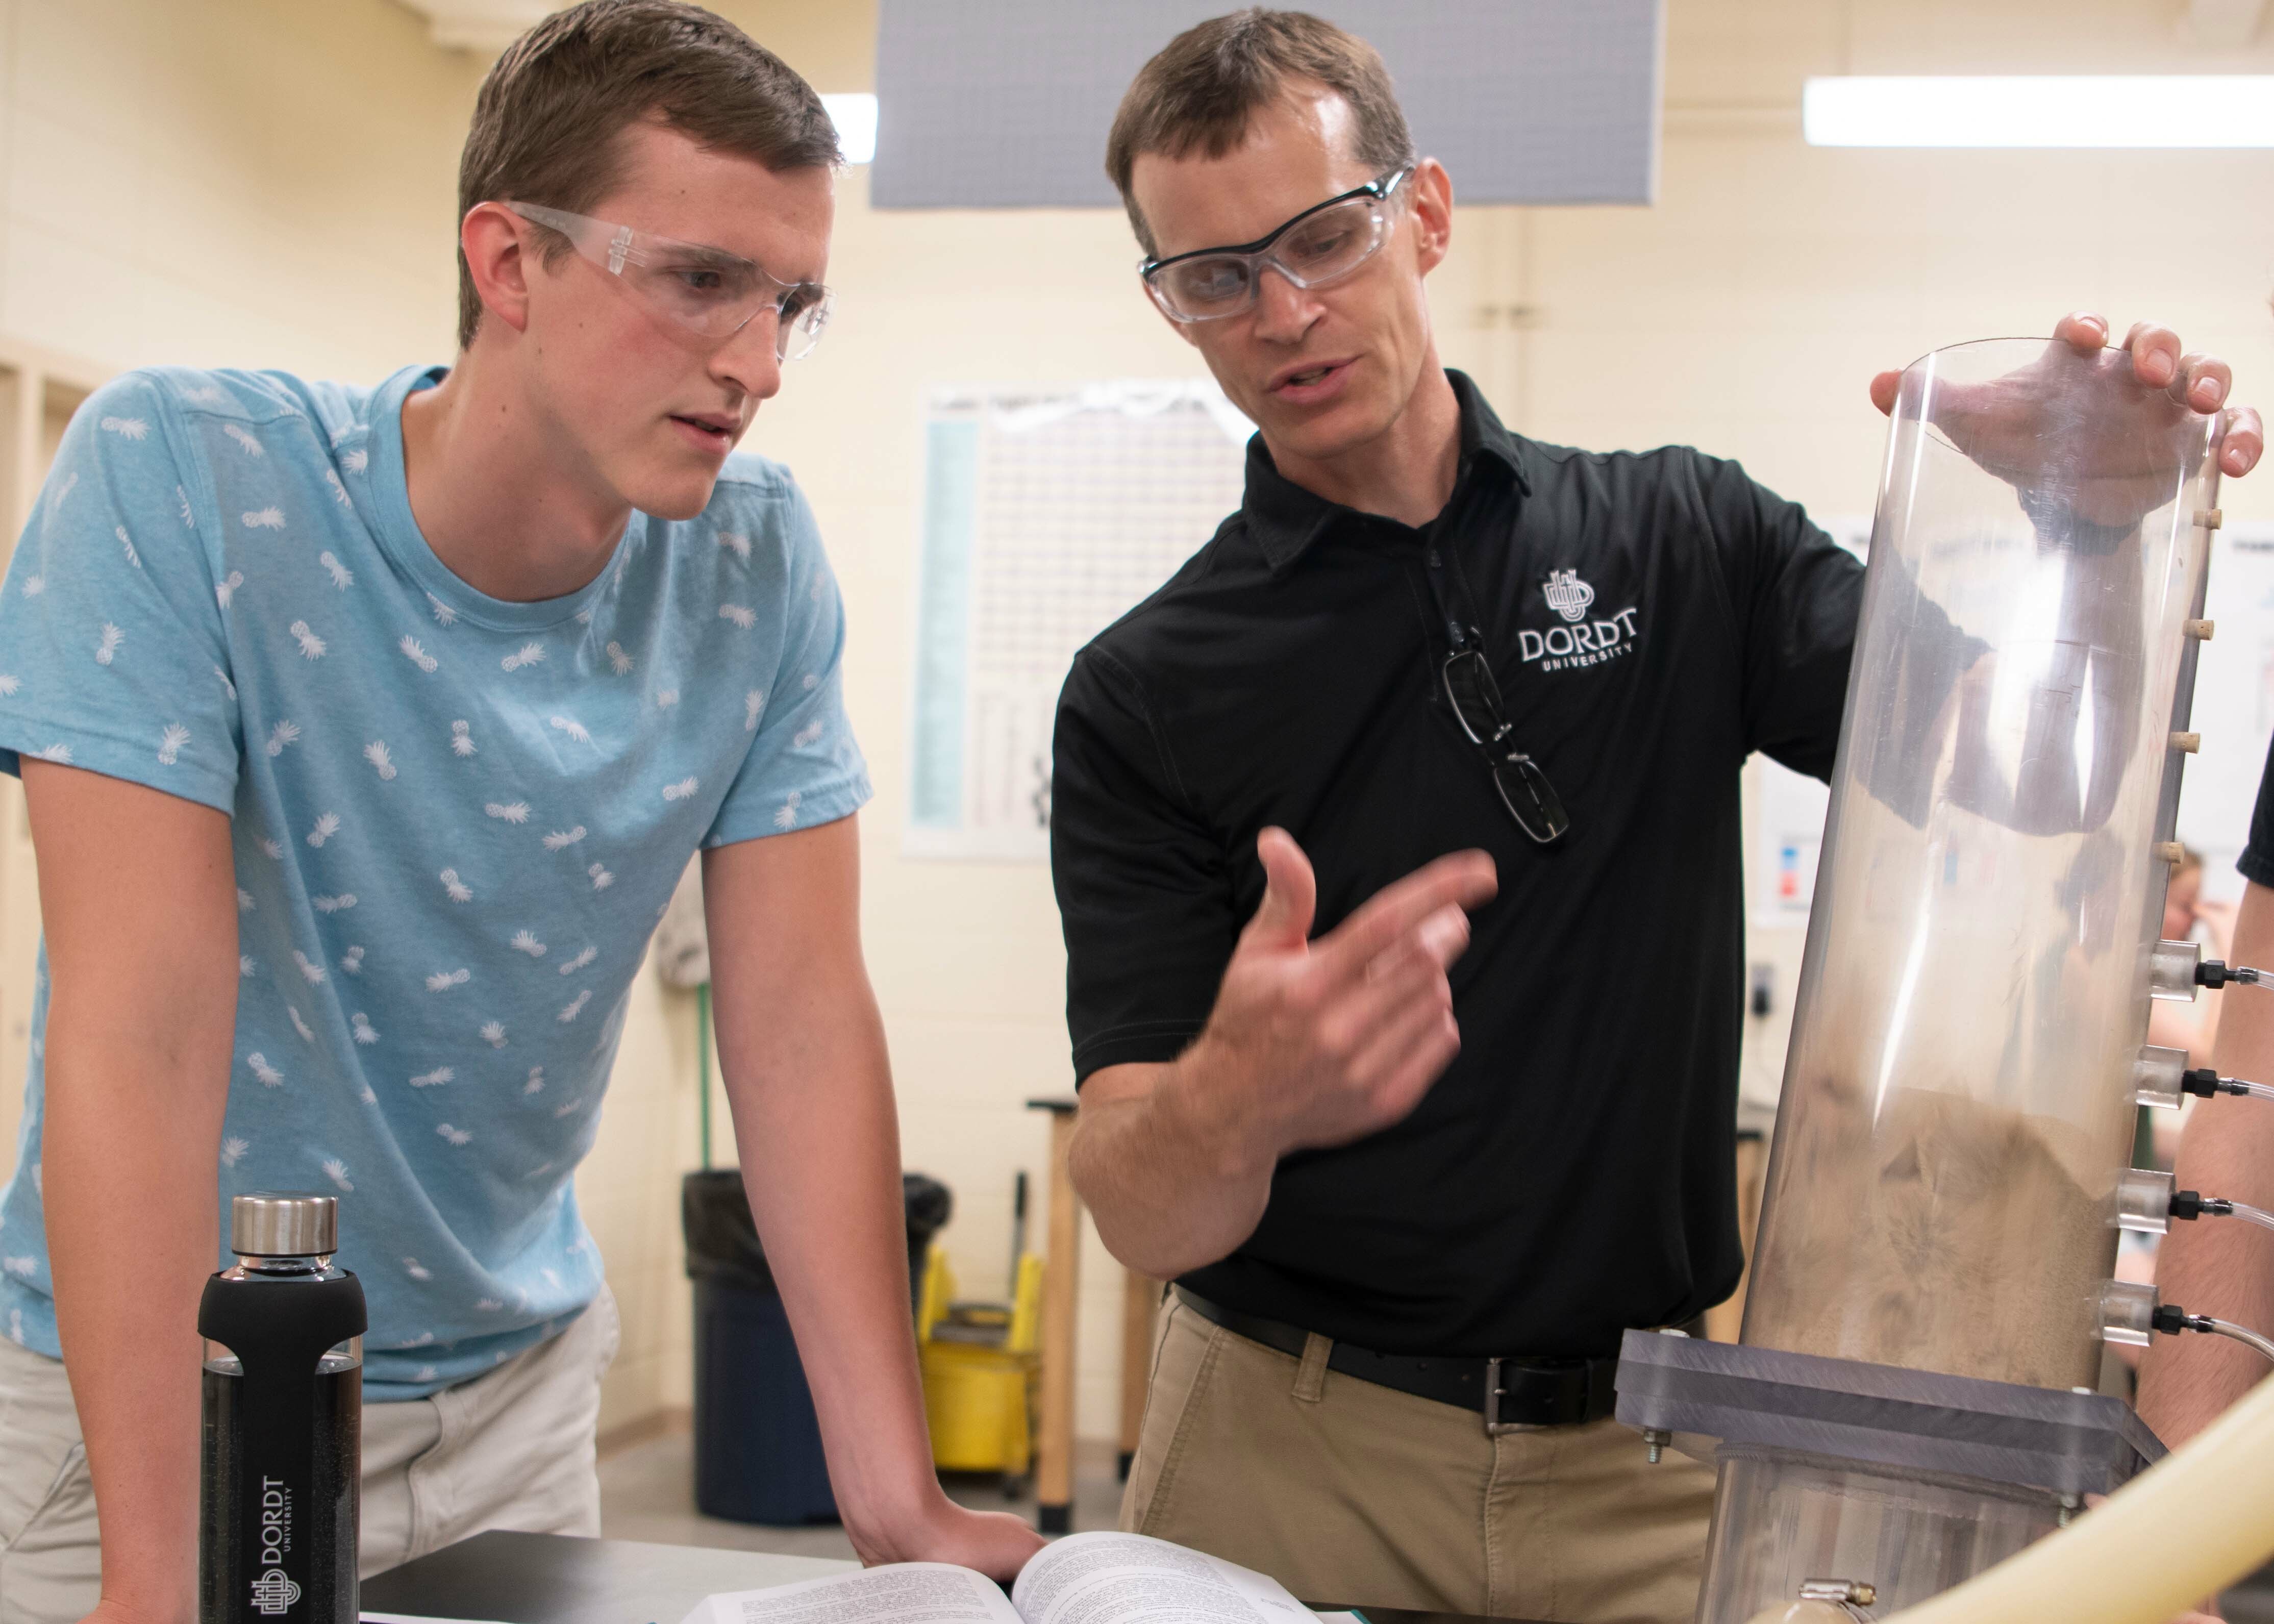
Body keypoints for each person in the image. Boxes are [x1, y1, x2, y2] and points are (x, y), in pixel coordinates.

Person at [1047, 11, 2262, 1623]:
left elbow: (2042, 778)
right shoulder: (1144, 687)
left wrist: (2086, 529)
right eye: (1214, 277)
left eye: (1323, 239)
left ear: (1423, 215)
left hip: (1649, 1464)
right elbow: (1140, 1202)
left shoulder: (1685, 539)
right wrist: (1233, 1102)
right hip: (1285, 1455)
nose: (1282, 314)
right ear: (1169, 301)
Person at [0, 4, 1042, 1619]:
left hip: (514, 1410)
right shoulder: (186, 475)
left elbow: (798, 1025)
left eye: (790, 303)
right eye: (701, 280)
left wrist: (896, 1499)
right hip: (157, 1399)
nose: (759, 364)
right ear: (508, 262)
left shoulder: (754, 560)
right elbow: (140, 1030)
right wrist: (156, 1573)